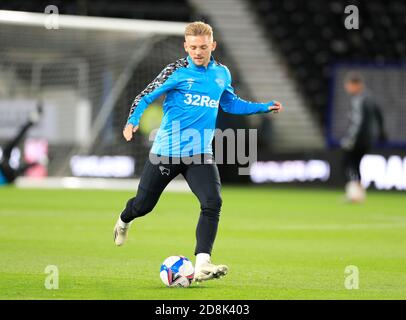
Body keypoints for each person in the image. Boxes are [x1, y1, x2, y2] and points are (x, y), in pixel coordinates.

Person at [113, 21, 283, 282]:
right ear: (186, 46)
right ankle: (124, 220)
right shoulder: (176, 70)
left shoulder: (221, 73)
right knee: (143, 206)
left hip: (199, 154)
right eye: (193, 47)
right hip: (166, 154)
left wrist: (262, 107)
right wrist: (132, 120)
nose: (198, 52)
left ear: (212, 45)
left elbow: (230, 103)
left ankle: (202, 262)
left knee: (212, 202)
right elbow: (146, 95)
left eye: (203, 47)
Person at [341, 72, 386, 202]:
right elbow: (379, 115)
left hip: (358, 138)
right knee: (356, 164)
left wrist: (350, 139)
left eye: (349, 85)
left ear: (356, 85)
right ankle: (359, 193)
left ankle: (353, 193)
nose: (347, 88)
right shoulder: (370, 97)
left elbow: (357, 122)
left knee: (347, 163)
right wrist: (382, 132)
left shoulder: (359, 99)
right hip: (368, 139)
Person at [0, 103, 44, 186]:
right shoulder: (9, 172)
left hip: (7, 175)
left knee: (14, 142)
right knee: (19, 169)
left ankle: (31, 122)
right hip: (7, 178)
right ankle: (31, 122)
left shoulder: (5, 163)